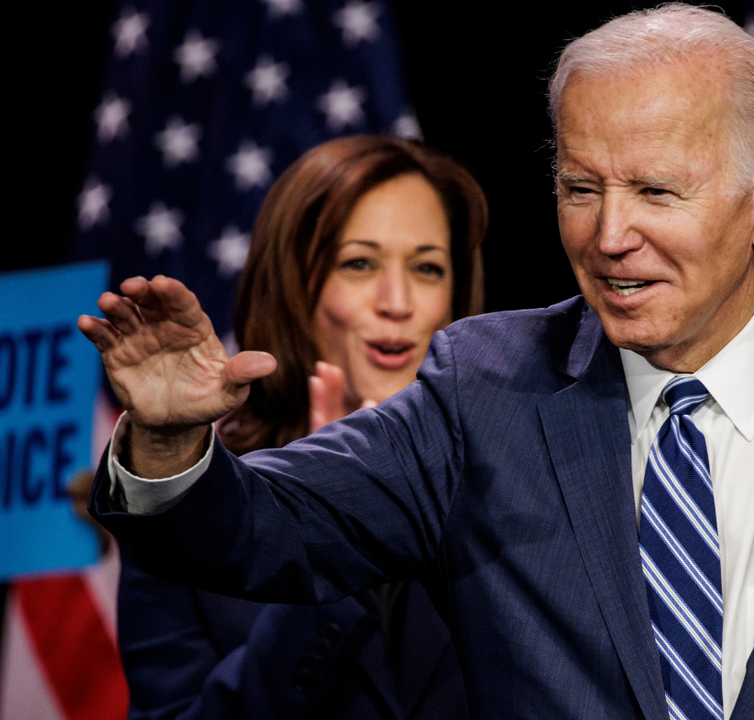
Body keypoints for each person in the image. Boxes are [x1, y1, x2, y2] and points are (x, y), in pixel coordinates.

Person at [82, 6, 754, 719]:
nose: (607, 236)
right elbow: (259, 531)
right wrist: (174, 440)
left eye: (654, 192)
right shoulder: (482, 389)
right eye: (581, 187)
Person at [115, 136, 486, 720]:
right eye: (359, 263)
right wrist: (335, 517)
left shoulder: (513, 482)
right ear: (293, 289)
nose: (399, 301)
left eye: (427, 268)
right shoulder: (193, 509)